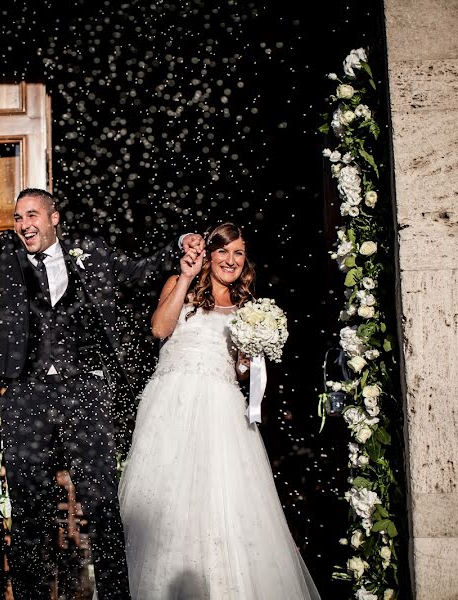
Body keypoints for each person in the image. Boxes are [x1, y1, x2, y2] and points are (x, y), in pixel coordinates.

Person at [0, 101, 204, 599]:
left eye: (32, 214)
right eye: (17, 216)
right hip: (26, 395)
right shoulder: (7, 256)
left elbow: (140, 272)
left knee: (100, 502)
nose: (23, 222)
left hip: (85, 392)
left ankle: (116, 594)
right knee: (29, 506)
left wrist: (178, 249)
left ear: (54, 217)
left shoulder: (91, 256)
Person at [118, 223, 321, 600]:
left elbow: (242, 371)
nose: (231, 260)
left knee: (221, 499)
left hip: (220, 408)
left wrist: (251, 350)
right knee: (167, 499)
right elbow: (160, 329)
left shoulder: (246, 308)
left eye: (239, 253)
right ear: (209, 255)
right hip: (172, 403)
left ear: (245, 261)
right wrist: (186, 278)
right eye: (224, 251)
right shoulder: (178, 284)